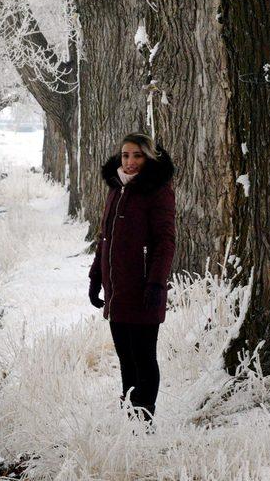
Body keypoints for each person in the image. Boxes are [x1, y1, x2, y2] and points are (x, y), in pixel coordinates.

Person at [88, 132, 176, 424]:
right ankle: (130, 416)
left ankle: (143, 421)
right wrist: (95, 277)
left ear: (148, 157)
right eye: (126, 155)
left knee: (143, 357)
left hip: (143, 289)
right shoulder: (116, 188)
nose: (130, 161)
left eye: (137, 155)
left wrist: (156, 283)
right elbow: (106, 239)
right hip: (117, 290)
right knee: (126, 359)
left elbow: (165, 242)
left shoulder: (157, 190)